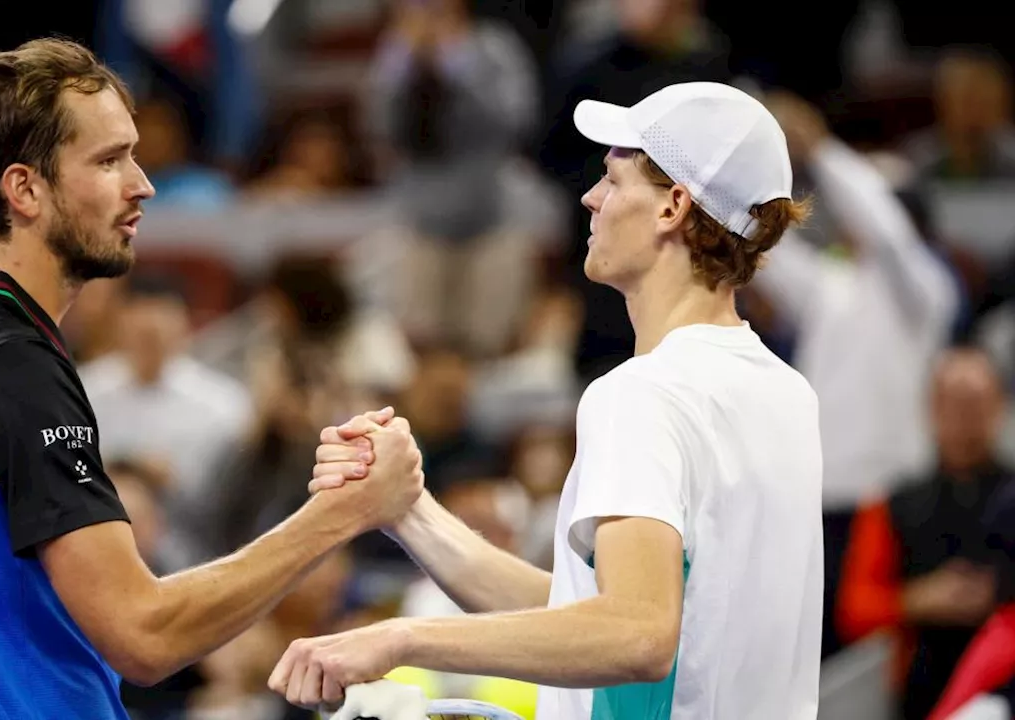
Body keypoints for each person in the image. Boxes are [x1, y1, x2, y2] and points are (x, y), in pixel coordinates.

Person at [0, 38, 424, 719]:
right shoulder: (12, 364)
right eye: (108, 160)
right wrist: (342, 513)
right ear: (24, 189)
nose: (143, 184)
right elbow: (143, 632)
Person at [271, 82, 824, 718]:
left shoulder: (641, 395)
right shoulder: (786, 392)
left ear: (674, 206)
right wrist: (409, 510)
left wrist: (402, 637)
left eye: (614, 180)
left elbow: (637, 635)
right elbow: (583, 614)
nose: (590, 198)